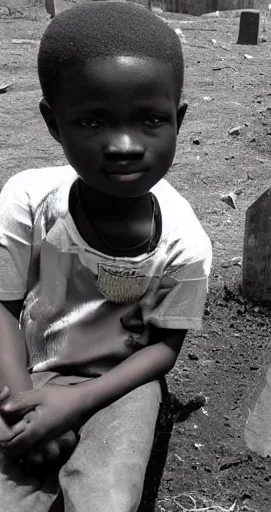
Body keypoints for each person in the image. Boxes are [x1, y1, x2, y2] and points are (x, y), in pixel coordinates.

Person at [0, 2, 212, 511]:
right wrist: (21, 403)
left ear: (178, 120)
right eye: (92, 121)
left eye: (151, 120)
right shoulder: (28, 200)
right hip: (25, 367)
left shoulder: (185, 243)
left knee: (106, 498)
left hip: (121, 385)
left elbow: (162, 350)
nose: (124, 145)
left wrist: (75, 403)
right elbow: (3, 306)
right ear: (54, 124)